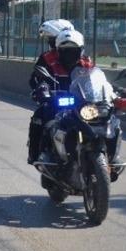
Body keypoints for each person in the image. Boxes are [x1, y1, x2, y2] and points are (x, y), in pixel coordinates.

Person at [27, 19, 76, 164]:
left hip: (81, 102)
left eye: (52, 39)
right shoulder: (46, 58)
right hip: (56, 101)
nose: (50, 42)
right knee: (39, 117)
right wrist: (42, 88)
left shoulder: (83, 59)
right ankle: (35, 155)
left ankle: (107, 157)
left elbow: (94, 76)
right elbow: (34, 79)